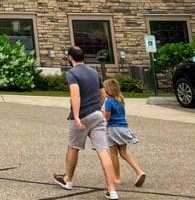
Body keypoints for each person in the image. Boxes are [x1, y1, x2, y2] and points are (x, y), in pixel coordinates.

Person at [53, 46, 119, 199]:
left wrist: (76, 116)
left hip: (83, 115)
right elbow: (102, 94)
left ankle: (68, 179)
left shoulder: (72, 73)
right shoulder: (93, 72)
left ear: (70, 58)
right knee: (103, 151)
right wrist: (99, 109)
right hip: (97, 115)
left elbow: (75, 96)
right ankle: (112, 190)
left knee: (73, 147)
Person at [103, 78, 146, 187]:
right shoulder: (120, 100)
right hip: (123, 127)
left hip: (113, 129)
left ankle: (117, 178)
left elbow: (107, 117)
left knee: (113, 153)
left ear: (108, 89)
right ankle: (139, 171)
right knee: (123, 153)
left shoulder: (109, 101)